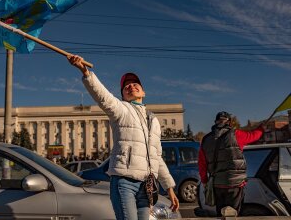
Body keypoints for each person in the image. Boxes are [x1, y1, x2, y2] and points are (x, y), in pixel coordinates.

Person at [67, 54, 179, 220]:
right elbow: (103, 96)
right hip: (124, 183)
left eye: (135, 84)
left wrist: (169, 187)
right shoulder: (121, 110)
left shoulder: (153, 120)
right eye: (126, 86)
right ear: (123, 96)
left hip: (146, 186)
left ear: (143, 92)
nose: (131, 86)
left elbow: (156, 156)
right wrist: (85, 71)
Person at [198, 111, 264, 217]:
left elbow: (202, 164)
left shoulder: (206, 140)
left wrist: (205, 181)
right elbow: (254, 136)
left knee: (221, 214)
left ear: (216, 122)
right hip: (235, 183)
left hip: (217, 184)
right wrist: (261, 128)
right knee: (233, 214)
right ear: (230, 122)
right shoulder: (236, 135)